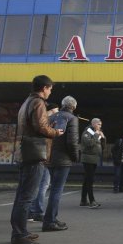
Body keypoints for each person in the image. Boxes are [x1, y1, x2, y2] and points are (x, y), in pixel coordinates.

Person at [11, 75, 63, 244]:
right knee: (27, 196)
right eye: (50, 89)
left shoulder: (27, 101)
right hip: (35, 153)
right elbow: (41, 127)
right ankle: (19, 235)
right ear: (44, 88)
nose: (50, 92)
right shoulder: (39, 103)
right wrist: (56, 132)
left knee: (22, 195)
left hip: (25, 152)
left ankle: (21, 232)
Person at [42, 96, 80, 232]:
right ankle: (50, 221)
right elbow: (72, 141)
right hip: (63, 159)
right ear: (74, 107)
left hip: (50, 157)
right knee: (56, 191)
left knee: (53, 189)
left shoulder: (53, 116)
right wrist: (75, 157)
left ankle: (52, 218)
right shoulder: (72, 118)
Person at [28, 103, 58, 222]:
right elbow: (47, 139)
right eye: (56, 110)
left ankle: (31, 211)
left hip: (40, 156)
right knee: (43, 185)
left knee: (37, 185)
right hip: (43, 157)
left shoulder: (44, 121)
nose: (58, 112)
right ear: (51, 110)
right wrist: (55, 131)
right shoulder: (46, 121)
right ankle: (37, 211)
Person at [80, 118, 105, 209]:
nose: (100, 126)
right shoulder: (88, 131)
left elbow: (102, 146)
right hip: (88, 158)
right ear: (93, 124)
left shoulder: (95, 132)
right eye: (99, 124)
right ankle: (92, 201)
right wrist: (96, 135)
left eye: (100, 125)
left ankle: (83, 200)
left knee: (87, 179)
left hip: (94, 158)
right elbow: (89, 143)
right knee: (90, 180)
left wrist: (103, 138)